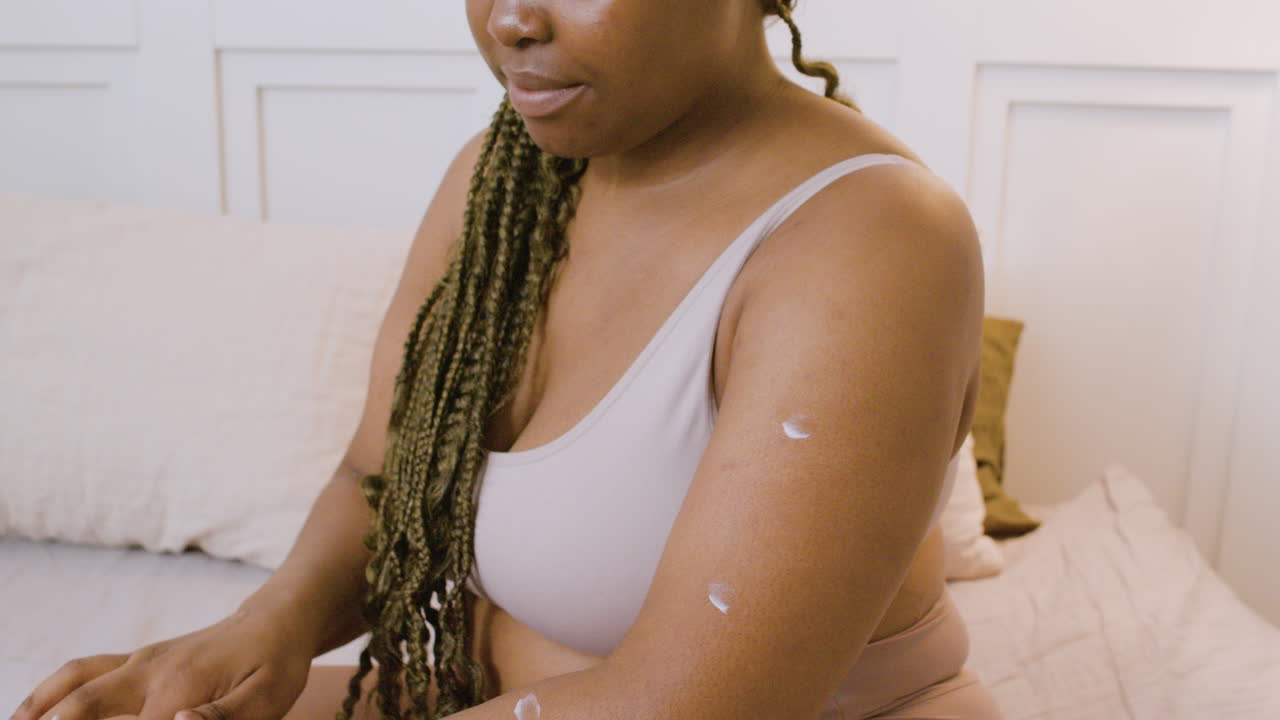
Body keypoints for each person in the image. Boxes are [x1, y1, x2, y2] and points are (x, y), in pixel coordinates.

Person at [13, 0, 1000, 718]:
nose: (508, 20)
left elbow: (685, 709)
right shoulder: (506, 178)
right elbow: (379, 475)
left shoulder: (873, 238)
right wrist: (257, 631)